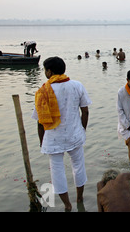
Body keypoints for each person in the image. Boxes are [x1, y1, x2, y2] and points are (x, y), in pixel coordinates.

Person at [31, 56, 91, 211]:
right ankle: (79, 198)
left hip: (53, 137)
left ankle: (67, 205)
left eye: (45, 69)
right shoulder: (77, 85)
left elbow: (40, 121)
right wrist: (82, 129)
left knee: (57, 171)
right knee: (78, 166)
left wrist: (42, 140)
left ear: (49, 71)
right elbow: (85, 111)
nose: (45, 72)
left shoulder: (43, 90)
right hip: (75, 135)